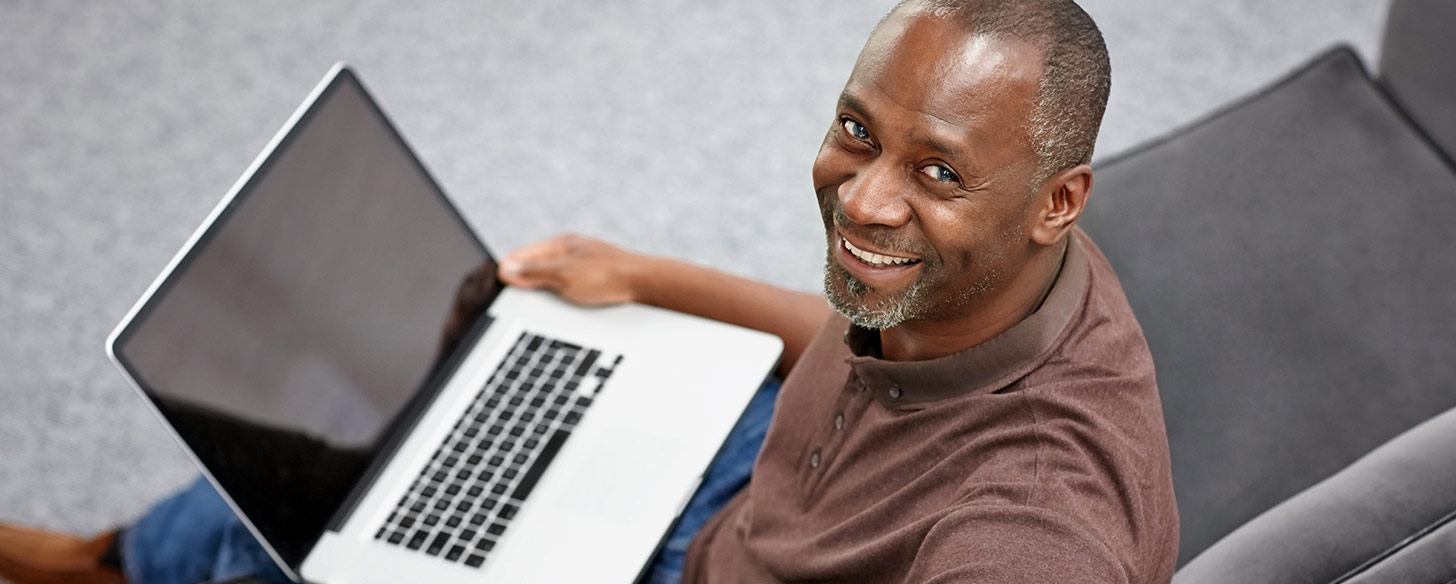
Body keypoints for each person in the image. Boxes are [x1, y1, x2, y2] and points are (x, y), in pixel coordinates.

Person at [0, 0, 1180, 582]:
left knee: (346, 528)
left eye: (934, 171)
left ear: (1058, 199)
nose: (864, 200)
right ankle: (101, 557)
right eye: (854, 133)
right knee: (400, 420)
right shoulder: (1007, 269)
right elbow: (842, 333)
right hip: (749, 494)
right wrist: (639, 273)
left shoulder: (1028, 530)